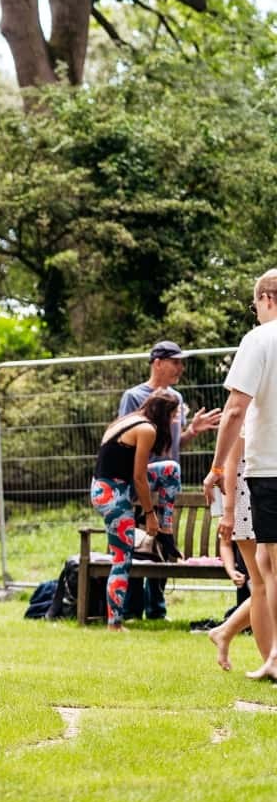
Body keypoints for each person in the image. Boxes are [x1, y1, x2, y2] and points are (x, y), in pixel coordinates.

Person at [205, 268, 277, 678]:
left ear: (266, 299)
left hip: (269, 468)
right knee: (265, 568)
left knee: (270, 569)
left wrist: (217, 467)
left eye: (256, 306)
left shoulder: (259, 340)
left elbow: (235, 410)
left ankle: (271, 654)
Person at [117, 341, 221, 619]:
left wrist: (191, 432)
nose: (181, 368)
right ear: (157, 362)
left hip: (167, 488)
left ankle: (156, 609)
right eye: (175, 362)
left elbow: (172, 445)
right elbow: (124, 440)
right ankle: (131, 608)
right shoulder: (134, 396)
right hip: (141, 486)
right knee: (140, 544)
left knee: (161, 543)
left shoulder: (176, 398)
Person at [90, 390, 183, 630]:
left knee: (171, 469)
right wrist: (150, 515)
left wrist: (159, 521)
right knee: (122, 558)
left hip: (117, 486)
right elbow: (139, 477)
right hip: (111, 494)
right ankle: (114, 624)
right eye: (174, 415)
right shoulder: (146, 430)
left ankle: (167, 529)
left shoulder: (129, 420)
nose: (175, 421)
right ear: (164, 413)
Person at [209, 433, 262, 670]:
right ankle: (270, 658)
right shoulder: (244, 408)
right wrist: (228, 513)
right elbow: (230, 462)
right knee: (264, 585)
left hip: (259, 498)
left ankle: (224, 632)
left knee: (266, 585)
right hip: (247, 501)